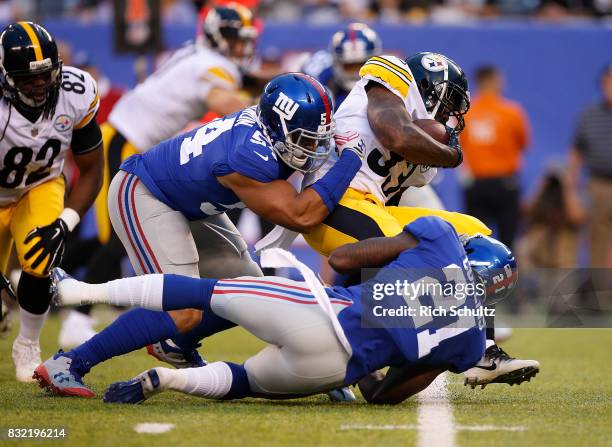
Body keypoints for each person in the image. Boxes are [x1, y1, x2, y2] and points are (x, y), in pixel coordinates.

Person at [33, 72, 364, 387]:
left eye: (320, 139)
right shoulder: (249, 154)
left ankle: (177, 343)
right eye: (306, 140)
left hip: (193, 204)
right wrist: (351, 157)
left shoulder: (266, 132)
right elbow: (301, 215)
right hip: (146, 192)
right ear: (277, 129)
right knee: (182, 308)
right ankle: (69, 362)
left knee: (251, 294)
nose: (314, 150)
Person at [257, 52, 539, 387]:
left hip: (372, 208)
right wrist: (451, 154)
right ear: (432, 87)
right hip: (335, 202)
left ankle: (484, 348)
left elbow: (408, 156)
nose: (450, 114)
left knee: (474, 236)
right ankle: (424, 348)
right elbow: (396, 135)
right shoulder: (393, 79)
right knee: (418, 256)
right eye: (449, 102)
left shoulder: (422, 144)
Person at [36, 216, 537, 401]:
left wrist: (398, 272)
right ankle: (170, 379)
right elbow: (383, 395)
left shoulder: (444, 239)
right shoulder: (471, 339)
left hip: (318, 313)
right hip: (330, 369)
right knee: (243, 383)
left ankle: (80, 292)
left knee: (207, 292)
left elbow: (342, 257)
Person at [62, 4, 259, 344]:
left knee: (116, 240)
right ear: (217, 38)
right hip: (125, 142)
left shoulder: (198, 55)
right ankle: (76, 316)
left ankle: (45, 273)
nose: (241, 47)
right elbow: (228, 103)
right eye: (234, 38)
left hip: (132, 141)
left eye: (243, 39)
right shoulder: (212, 66)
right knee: (116, 240)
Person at [0, 22, 104, 381]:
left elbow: (91, 169)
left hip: (39, 185)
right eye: (28, 79)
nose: (40, 85)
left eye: (46, 75)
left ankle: (27, 343)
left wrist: (66, 222)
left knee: (39, 259)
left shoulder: (76, 92)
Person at [460, 65, 531, 250]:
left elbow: (459, 145)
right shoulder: (512, 112)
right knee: (508, 240)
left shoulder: (466, 112)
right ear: (493, 81)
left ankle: (476, 278)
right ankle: (508, 278)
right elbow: (524, 143)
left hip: (476, 184)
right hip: (505, 183)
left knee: (475, 241)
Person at [568, 62, 612, 267]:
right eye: (608, 81)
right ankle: (601, 294)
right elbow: (576, 153)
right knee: (598, 240)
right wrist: (572, 190)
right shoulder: (590, 114)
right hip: (599, 185)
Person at [302, 22, 382, 110]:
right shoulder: (322, 81)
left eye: (361, 66)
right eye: (350, 66)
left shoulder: (386, 82)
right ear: (336, 64)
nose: (357, 74)